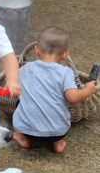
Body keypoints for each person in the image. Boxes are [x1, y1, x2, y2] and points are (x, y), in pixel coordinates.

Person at [13, 26, 96, 154]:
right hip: (57, 132)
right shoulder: (65, 72)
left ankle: (22, 137)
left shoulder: (25, 68)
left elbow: (15, 86)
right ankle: (58, 143)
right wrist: (87, 90)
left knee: (21, 98)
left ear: (36, 49)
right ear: (65, 55)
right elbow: (73, 98)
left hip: (27, 129)